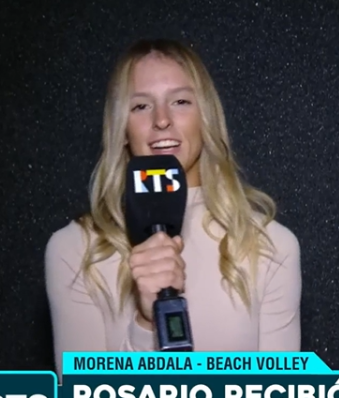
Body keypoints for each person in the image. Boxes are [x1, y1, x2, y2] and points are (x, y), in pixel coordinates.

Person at [44, 39, 302, 375]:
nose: (162, 120)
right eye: (140, 106)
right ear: (121, 127)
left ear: (205, 117)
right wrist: (146, 323)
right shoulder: (75, 250)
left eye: (180, 101)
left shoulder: (271, 246)